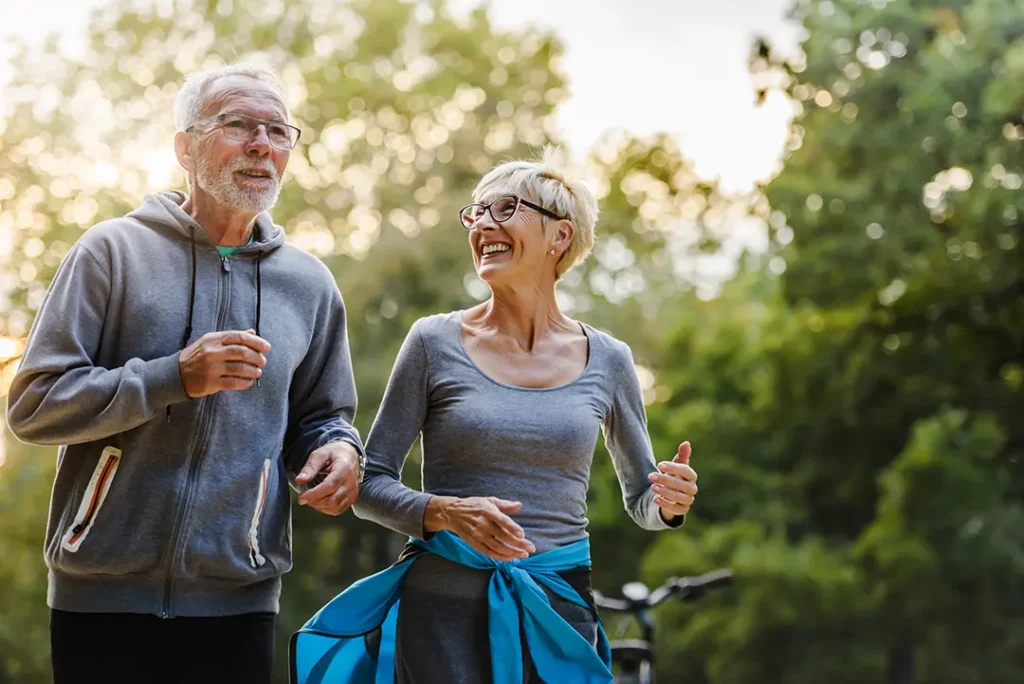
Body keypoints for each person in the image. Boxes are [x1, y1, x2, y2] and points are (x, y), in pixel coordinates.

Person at [6, 63, 365, 684]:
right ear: (185, 147)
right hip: (101, 596)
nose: (262, 144)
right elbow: (35, 405)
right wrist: (173, 377)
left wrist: (338, 448)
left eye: (279, 131)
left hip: (239, 598)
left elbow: (323, 415)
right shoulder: (110, 252)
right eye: (238, 125)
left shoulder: (309, 283)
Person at [290, 150, 699, 683]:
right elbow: (368, 484)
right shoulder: (433, 342)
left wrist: (670, 502)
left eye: (505, 208)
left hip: (558, 611)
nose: (483, 224)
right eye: (476, 212)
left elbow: (642, 501)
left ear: (560, 236)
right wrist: (446, 512)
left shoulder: (611, 360)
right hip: (441, 615)